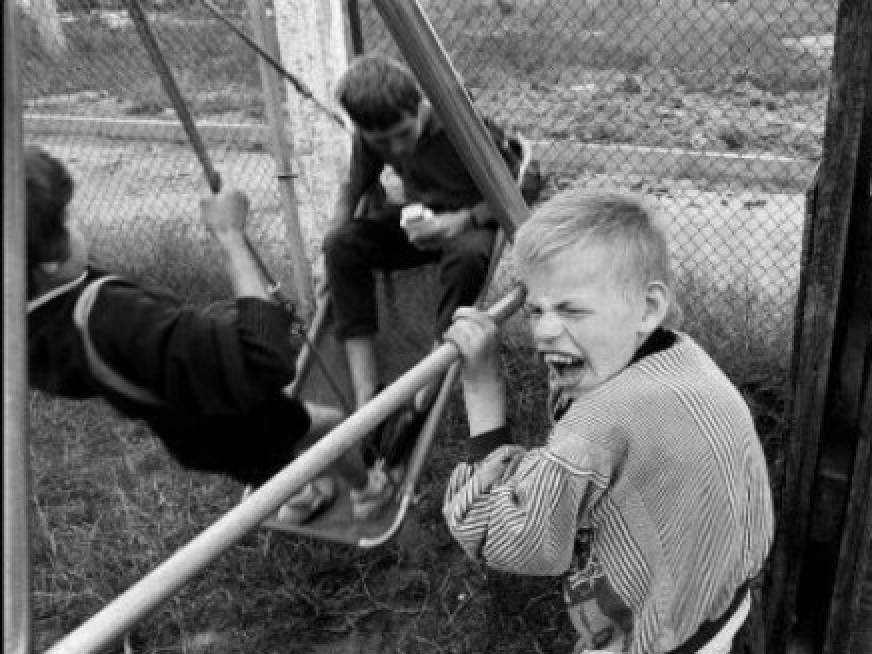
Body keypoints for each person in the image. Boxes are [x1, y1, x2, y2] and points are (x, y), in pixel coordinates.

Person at [441, 189, 775, 654]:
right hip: (728, 632)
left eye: (570, 310)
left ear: (646, 308)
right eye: (535, 309)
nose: (543, 330)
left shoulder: (600, 426)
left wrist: (483, 394)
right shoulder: (682, 361)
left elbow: (515, 538)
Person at [23, 144, 347, 523]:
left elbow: (70, 277)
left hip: (188, 437)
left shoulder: (30, 327)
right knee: (332, 426)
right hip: (239, 417)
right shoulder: (114, 319)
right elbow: (264, 361)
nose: (75, 225)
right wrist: (231, 238)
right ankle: (369, 490)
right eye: (66, 219)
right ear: (46, 263)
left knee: (258, 465)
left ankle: (298, 499)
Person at [323, 53, 535, 517]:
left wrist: (462, 220)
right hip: (418, 226)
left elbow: (525, 182)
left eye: (402, 134)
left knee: (468, 256)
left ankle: (427, 383)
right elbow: (354, 189)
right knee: (342, 245)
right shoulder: (372, 135)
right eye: (384, 142)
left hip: (469, 225)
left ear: (419, 105)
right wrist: (332, 257)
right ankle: (366, 394)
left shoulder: (460, 123)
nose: (395, 149)